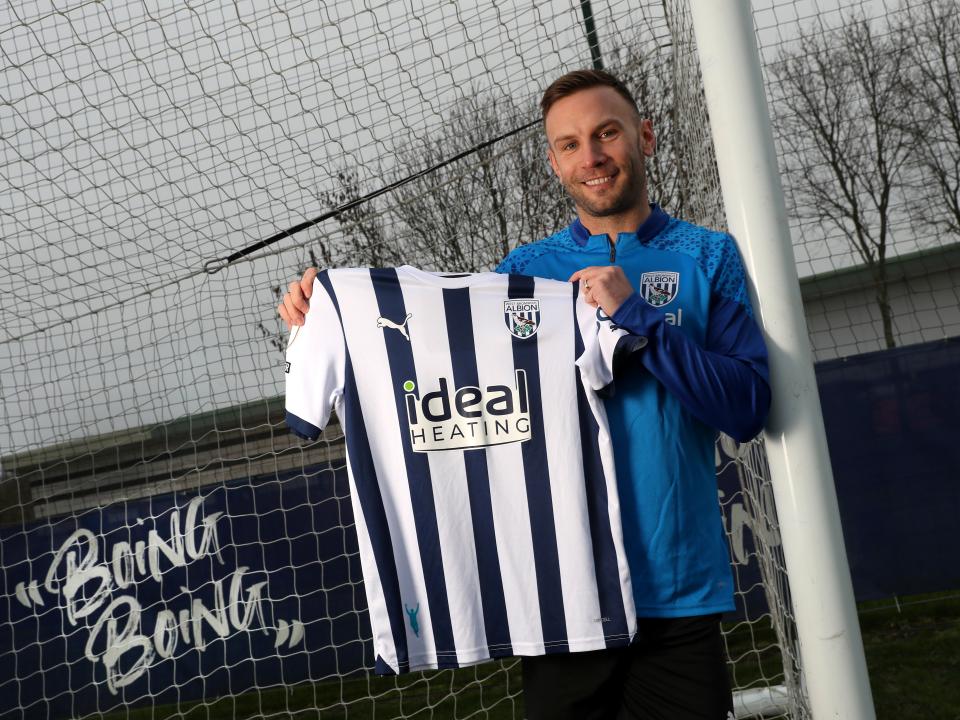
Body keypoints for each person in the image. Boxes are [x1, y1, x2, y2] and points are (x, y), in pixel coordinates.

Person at [279, 69, 770, 720]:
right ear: (553, 162)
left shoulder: (708, 257)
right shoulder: (521, 274)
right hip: (564, 600)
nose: (590, 156)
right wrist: (332, 305)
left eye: (606, 134)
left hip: (678, 599)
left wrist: (640, 321)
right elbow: (430, 348)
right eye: (569, 144)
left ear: (644, 138)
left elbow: (748, 406)